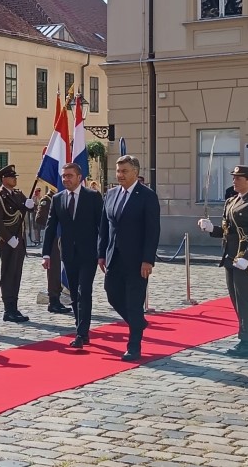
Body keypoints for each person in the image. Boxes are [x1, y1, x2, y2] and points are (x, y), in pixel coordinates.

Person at [198, 165, 248, 357]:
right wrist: (211, 228)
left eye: (238, 178)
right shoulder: (231, 201)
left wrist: (247, 258)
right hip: (231, 258)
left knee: (245, 300)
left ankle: (247, 342)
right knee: (236, 300)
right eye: (234, 177)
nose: (234, 180)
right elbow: (227, 231)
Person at [98, 155, 160, 362]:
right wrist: (101, 254)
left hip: (137, 260)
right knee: (112, 295)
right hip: (114, 257)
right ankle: (138, 322)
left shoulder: (147, 196)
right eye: (118, 171)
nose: (120, 175)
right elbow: (105, 227)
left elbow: (153, 230)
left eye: (124, 171)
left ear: (135, 172)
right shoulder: (111, 194)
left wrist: (148, 259)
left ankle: (134, 346)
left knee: (134, 303)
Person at [42, 163, 103, 348]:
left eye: (69, 175)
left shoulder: (93, 197)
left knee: (84, 291)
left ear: (79, 177)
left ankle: (81, 333)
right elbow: (50, 227)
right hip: (68, 253)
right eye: (63, 176)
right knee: (74, 294)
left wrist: (104, 252)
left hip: (89, 253)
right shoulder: (58, 199)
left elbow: (102, 226)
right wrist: (46, 254)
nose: (66, 179)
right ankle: (81, 329)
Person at [0, 165, 35, 322]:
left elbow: (26, 208)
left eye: (15, 177)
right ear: (4, 179)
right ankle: (8, 309)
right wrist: (8, 238)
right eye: (12, 177)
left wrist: (30, 205)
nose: (15, 179)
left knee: (17, 275)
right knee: (8, 275)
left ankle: (14, 307)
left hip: (19, 241)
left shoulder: (17, 194)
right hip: (8, 242)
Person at [34, 187, 71, 314]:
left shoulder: (63, 197)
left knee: (61, 268)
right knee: (54, 269)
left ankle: (58, 299)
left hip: (64, 238)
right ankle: (53, 300)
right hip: (53, 238)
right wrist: (55, 222)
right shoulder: (47, 200)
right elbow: (39, 219)